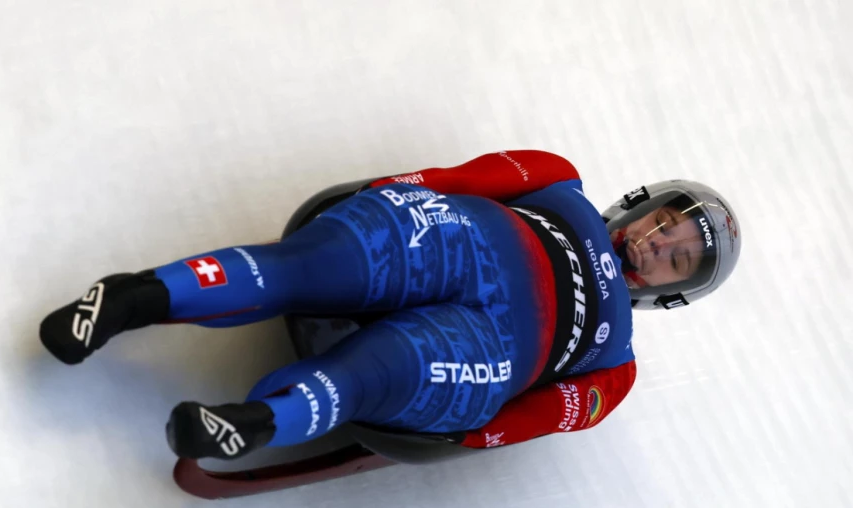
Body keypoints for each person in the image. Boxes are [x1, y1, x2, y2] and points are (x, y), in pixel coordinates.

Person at [38, 150, 741, 459]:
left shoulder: (614, 368)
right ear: (639, 206)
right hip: (460, 239)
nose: (652, 246)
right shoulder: (558, 179)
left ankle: (251, 422)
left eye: (674, 256)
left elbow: (527, 421)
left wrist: (462, 435)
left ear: (669, 293)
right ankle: (136, 296)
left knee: (392, 366)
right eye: (661, 226)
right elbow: (453, 178)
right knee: (319, 266)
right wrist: (379, 197)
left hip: (491, 344)